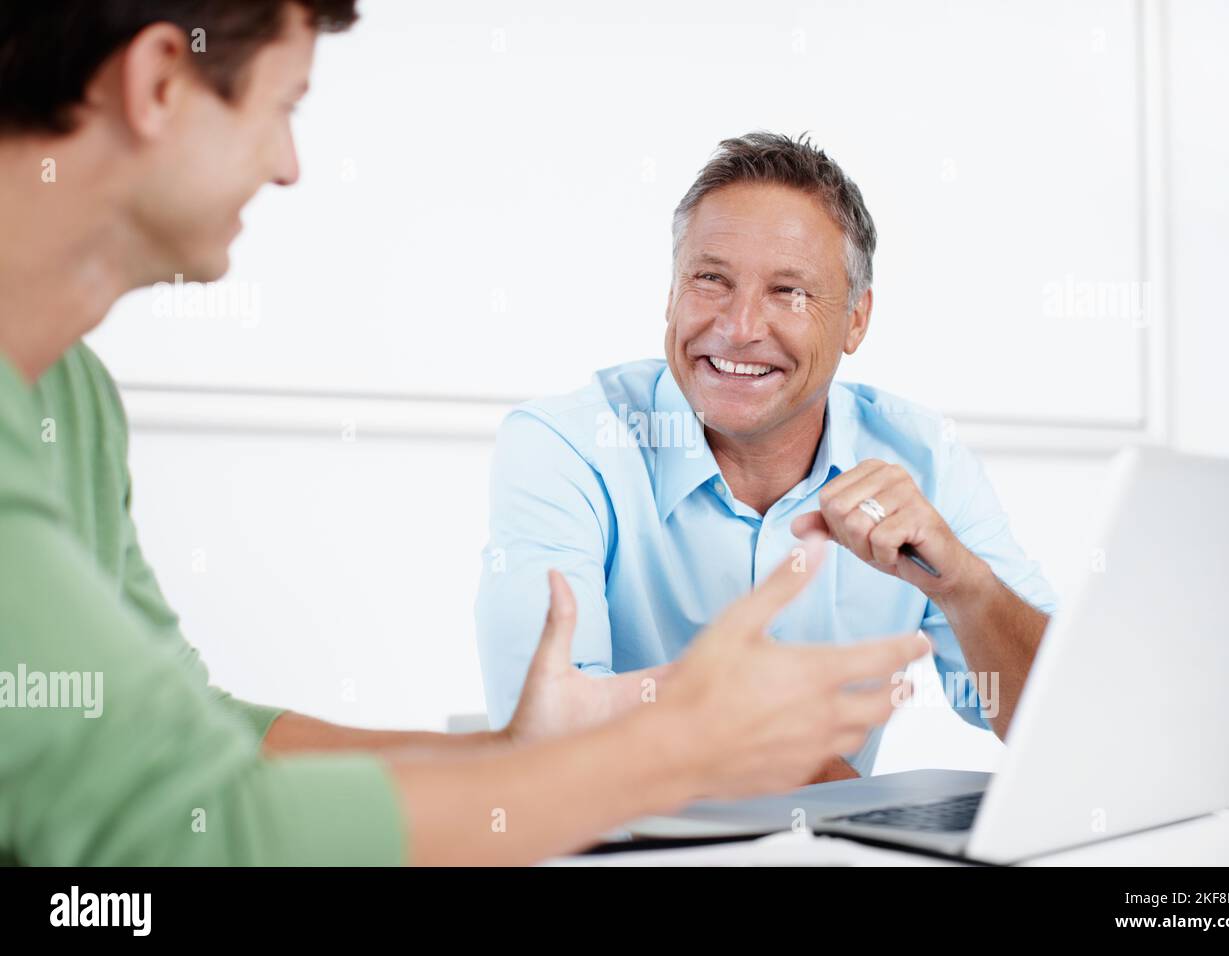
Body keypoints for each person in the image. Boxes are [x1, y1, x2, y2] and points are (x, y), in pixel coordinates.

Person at [0, 2, 927, 865]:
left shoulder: (70, 397)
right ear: (161, 80)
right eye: (283, 105)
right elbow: (190, 831)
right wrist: (670, 751)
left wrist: (512, 752)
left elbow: (187, 738)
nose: (288, 163)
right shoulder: (570, 439)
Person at [477, 132, 1057, 781]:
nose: (739, 326)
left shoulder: (926, 460)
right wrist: (815, 773)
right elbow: (547, 726)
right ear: (671, 295)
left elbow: (1059, 725)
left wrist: (967, 588)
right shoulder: (567, 446)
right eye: (710, 279)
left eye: (790, 292)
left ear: (857, 321)